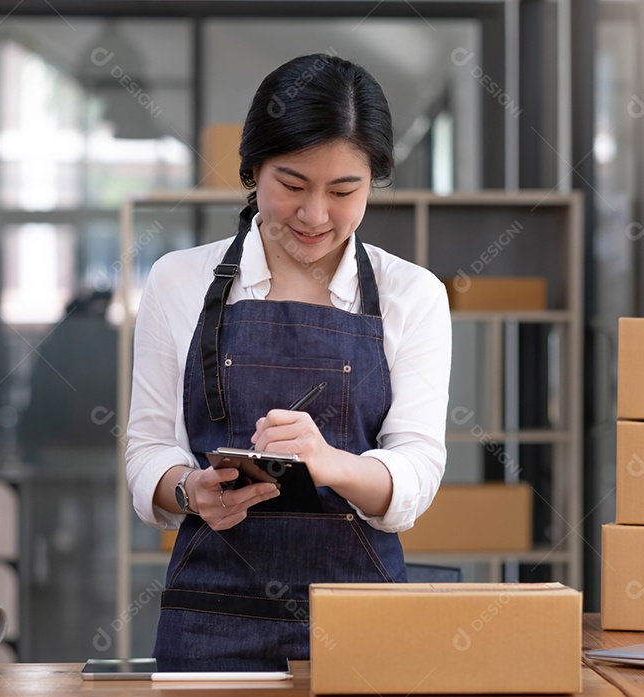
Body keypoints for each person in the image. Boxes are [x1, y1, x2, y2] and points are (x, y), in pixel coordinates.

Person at [125, 53, 452, 670]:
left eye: (344, 191)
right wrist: (191, 491)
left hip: (361, 622)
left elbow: (417, 470)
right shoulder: (178, 281)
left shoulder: (413, 294)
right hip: (210, 617)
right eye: (292, 186)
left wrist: (333, 465)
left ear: (373, 183)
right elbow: (146, 453)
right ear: (252, 171)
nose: (315, 215)